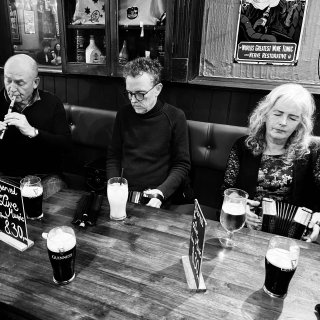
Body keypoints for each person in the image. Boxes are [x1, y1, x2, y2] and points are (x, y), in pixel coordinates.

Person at [222, 83, 320, 242]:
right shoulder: (243, 146)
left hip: (292, 238)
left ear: (300, 124)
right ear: (265, 114)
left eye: (292, 118)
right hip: (246, 232)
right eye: (278, 113)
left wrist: (318, 219)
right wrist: (240, 207)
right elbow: (227, 188)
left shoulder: (312, 152)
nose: (283, 122)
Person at [106, 57, 190, 209]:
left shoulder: (175, 117)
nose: (133, 100)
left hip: (157, 195)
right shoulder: (123, 114)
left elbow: (181, 165)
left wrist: (161, 192)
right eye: (129, 93)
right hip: (125, 192)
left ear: (157, 89)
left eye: (140, 94)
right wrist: (114, 186)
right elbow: (113, 157)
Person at [0, 54, 71, 198]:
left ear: (35, 82)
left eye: (19, 83)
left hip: (46, 176)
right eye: (8, 81)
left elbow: (65, 145)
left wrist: (33, 132)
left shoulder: (52, 103)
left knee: (52, 203)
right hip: (7, 176)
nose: (11, 88)